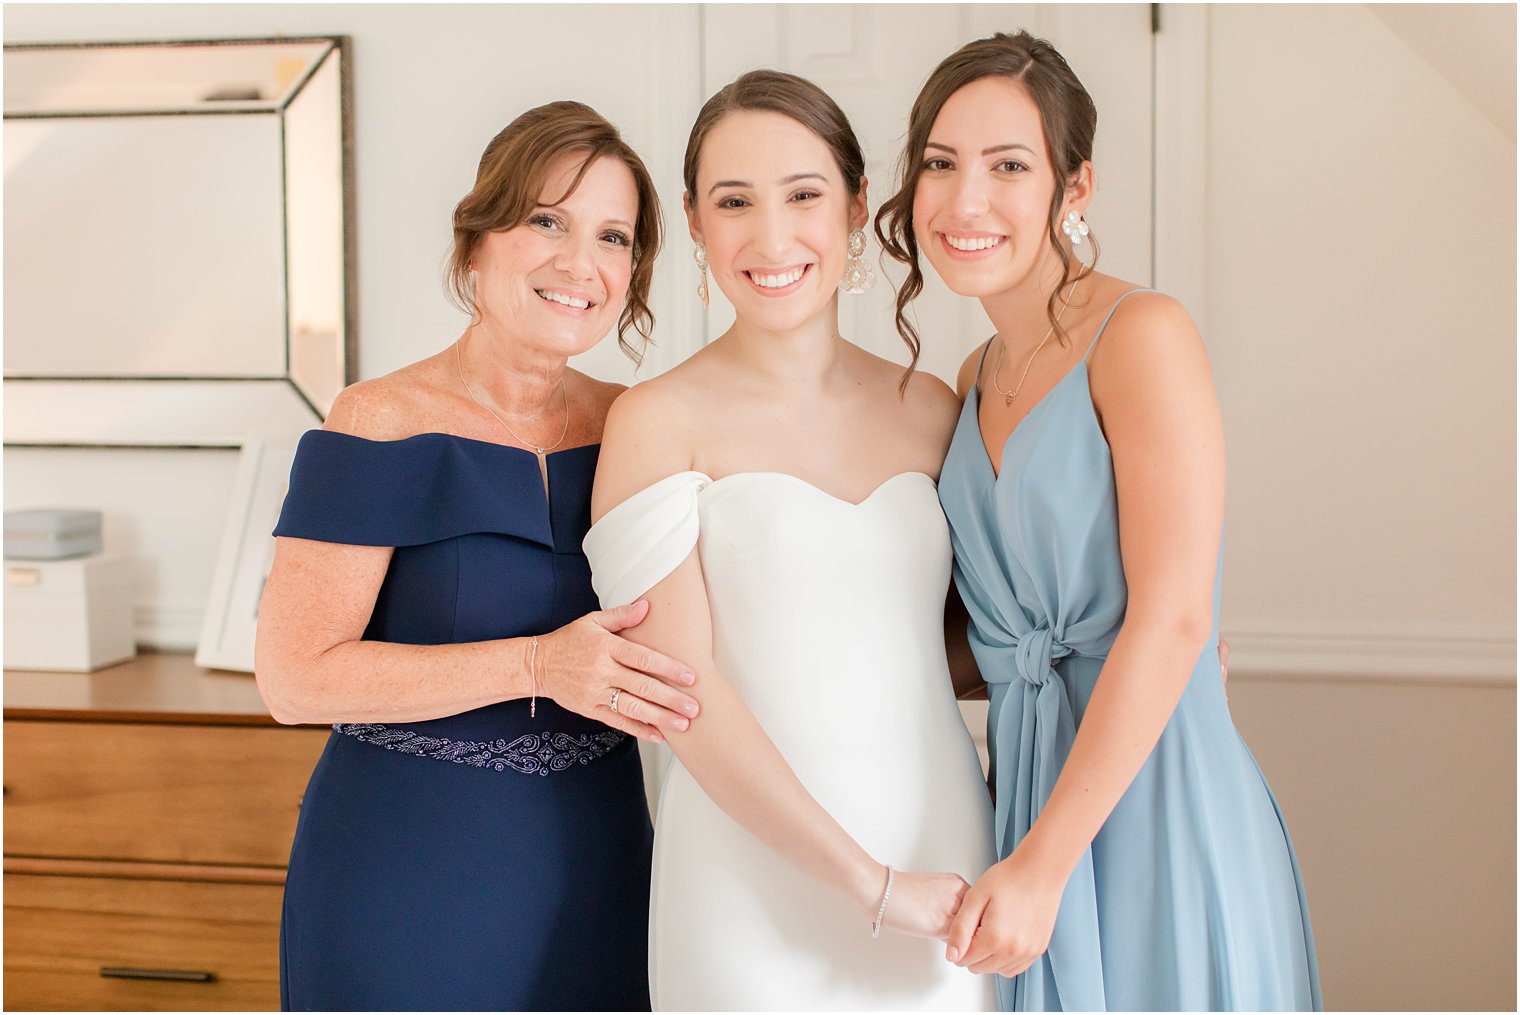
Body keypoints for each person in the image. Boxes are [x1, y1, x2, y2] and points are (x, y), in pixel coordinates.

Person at [875, 31, 1322, 1011]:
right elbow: (967, 640)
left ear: (1073, 190)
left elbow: (1170, 619)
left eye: (1007, 166)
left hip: (1154, 788)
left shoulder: (1140, 336)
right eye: (939, 165)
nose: (963, 201)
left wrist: (1043, 864)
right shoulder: (970, 378)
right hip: (1024, 782)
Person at [253, 101, 702, 1011]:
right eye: (548, 220)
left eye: (613, 237)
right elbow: (293, 678)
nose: (582, 263)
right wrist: (541, 662)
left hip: (603, 860)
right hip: (407, 871)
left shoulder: (635, 423)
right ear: (477, 241)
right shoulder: (377, 421)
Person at [584, 70, 995, 1011]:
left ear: (854, 207)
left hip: (944, 862)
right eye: (734, 202)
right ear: (694, 222)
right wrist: (869, 885)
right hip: (745, 888)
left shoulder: (929, 408)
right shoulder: (655, 420)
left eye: (803, 195)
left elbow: (973, 643)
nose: (771, 238)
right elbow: (677, 695)